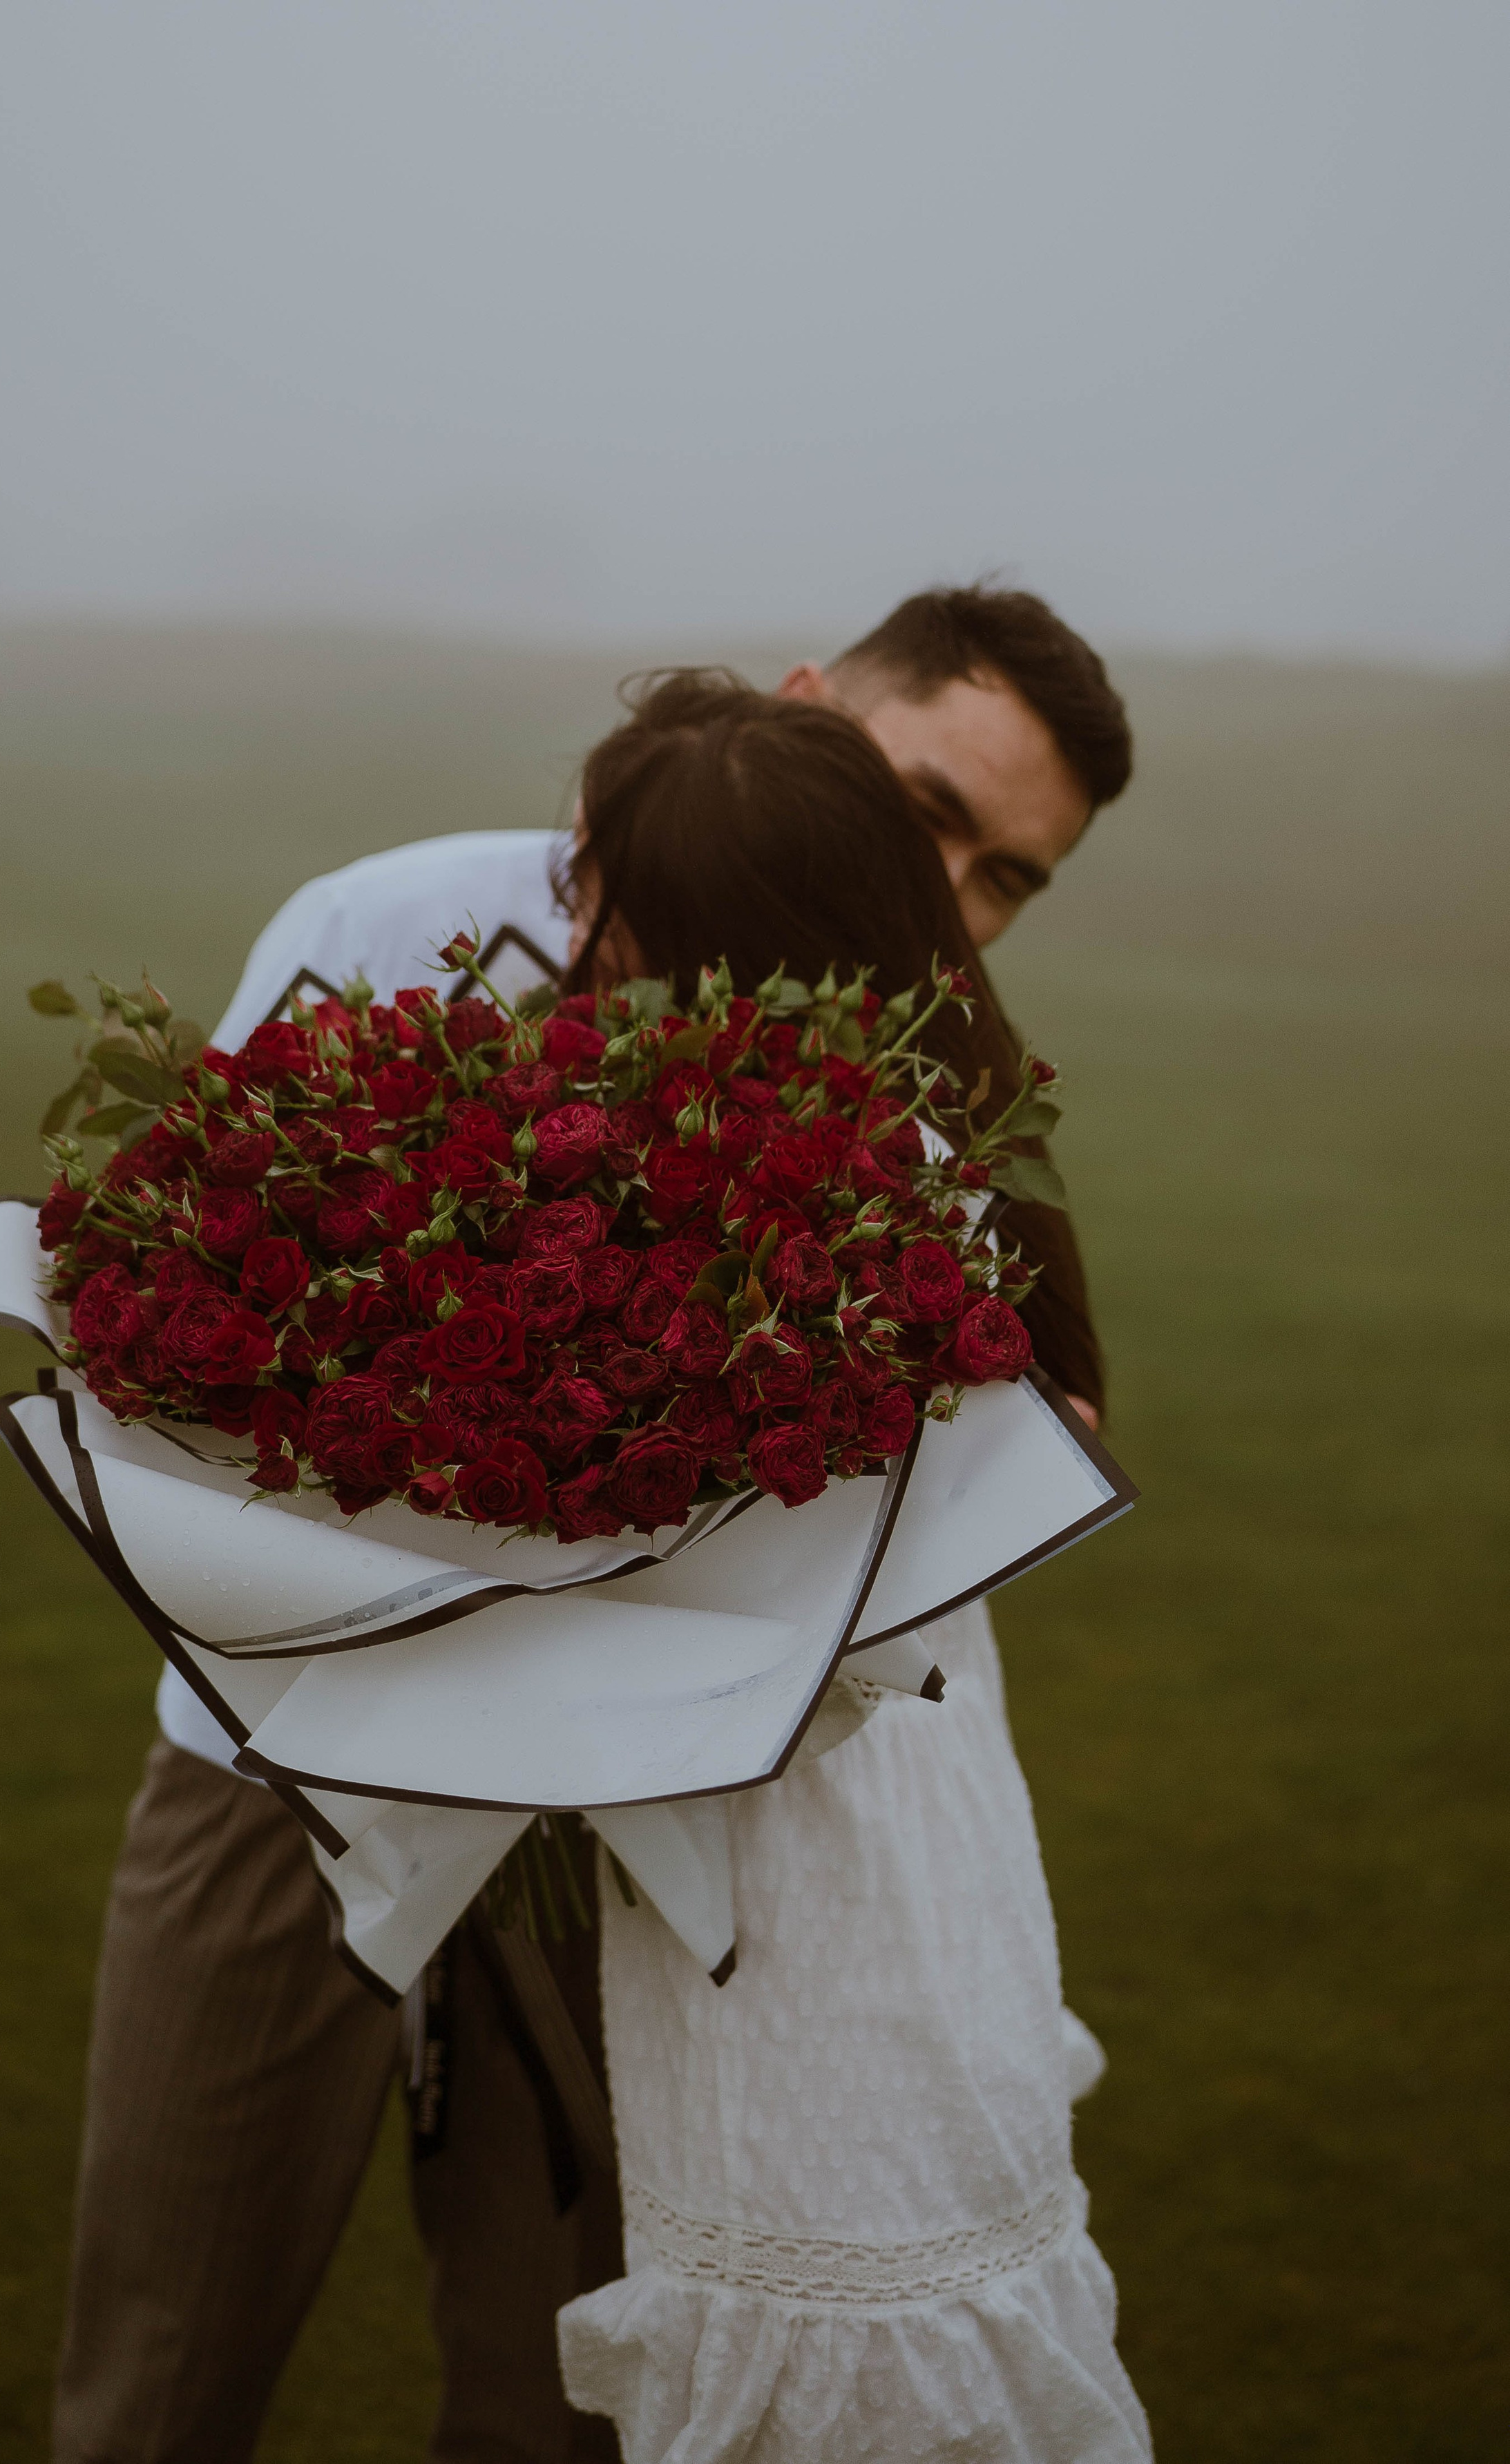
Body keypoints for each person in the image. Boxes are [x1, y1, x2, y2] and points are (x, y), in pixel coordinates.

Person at [52, 586, 1134, 2464]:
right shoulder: (385, 927)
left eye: (1003, 872)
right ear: (802, 713)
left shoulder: (940, 1087)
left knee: (556, 2391)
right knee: (161, 2350)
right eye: (928, 802)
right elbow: (179, 1306)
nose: (944, 884)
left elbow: (1031, 1449)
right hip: (282, 1772)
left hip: (652, 1837)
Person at [553, 672, 1151, 2462]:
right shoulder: (907, 1153)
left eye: (604, 894)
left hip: (805, 1869)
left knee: (849, 2316)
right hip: (911, 1819)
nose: (574, 928)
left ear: (701, 934)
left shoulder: (775, 1214)